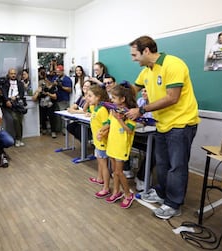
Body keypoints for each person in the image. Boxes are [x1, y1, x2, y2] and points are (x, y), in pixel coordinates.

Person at [126, 35, 200, 218]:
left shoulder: (173, 64)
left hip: (181, 123)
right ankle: (162, 193)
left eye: (135, 55)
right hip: (162, 124)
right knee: (162, 164)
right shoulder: (147, 71)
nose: (133, 59)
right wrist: (112, 93)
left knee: (177, 166)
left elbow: (172, 97)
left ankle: (173, 204)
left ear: (146, 51)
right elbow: (132, 90)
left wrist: (141, 110)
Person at [102, 84, 137, 209]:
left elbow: (129, 130)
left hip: (121, 146)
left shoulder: (131, 113)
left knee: (119, 172)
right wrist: (102, 130)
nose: (112, 100)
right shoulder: (114, 109)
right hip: (112, 143)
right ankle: (116, 191)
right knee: (114, 171)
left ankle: (128, 194)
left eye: (114, 98)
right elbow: (108, 122)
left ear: (122, 99)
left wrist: (120, 120)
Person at [84, 84, 110, 199]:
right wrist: (88, 100)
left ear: (98, 97)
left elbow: (108, 126)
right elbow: (86, 110)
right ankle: (100, 179)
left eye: (90, 96)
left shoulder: (102, 110)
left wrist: (102, 134)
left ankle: (106, 188)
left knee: (104, 165)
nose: (87, 98)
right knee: (99, 162)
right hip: (97, 141)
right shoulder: (95, 107)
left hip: (102, 142)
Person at [2, 68, 26, 147]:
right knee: (15, 119)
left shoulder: (20, 83)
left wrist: (16, 97)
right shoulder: (5, 83)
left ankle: (19, 139)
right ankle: (17, 139)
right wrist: (7, 100)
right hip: (9, 104)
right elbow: (4, 93)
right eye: (11, 73)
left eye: (14, 73)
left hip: (18, 103)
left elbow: (22, 94)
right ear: (8, 74)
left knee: (19, 121)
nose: (13, 75)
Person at [33, 67, 58, 138]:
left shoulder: (49, 84)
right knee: (42, 117)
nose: (42, 83)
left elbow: (55, 96)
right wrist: (38, 91)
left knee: (52, 117)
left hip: (50, 104)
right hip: (42, 105)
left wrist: (47, 92)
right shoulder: (38, 87)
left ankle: (53, 131)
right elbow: (34, 98)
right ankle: (44, 129)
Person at [53, 64, 72, 134]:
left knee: (64, 116)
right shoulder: (56, 78)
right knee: (57, 116)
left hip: (64, 100)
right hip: (56, 99)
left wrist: (61, 86)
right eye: (56, 72)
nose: (57, 73)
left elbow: (69, 90)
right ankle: (58, 129)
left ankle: (65, 129)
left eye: (59, 72)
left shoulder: (67, 79)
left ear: (62, 71)